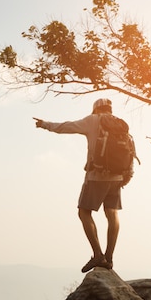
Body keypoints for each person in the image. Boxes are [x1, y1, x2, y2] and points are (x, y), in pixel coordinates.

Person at [33, 98, 127, 273]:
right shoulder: (120, 124)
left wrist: (44, 124)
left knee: (84, 212)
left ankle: (98, 255)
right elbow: (130, 150)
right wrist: (125, 177)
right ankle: (110, 257)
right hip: (117, 178)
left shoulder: (93, 120)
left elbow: (66, 127)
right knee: (112, 214)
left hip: (96, 176)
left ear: (96, 109)